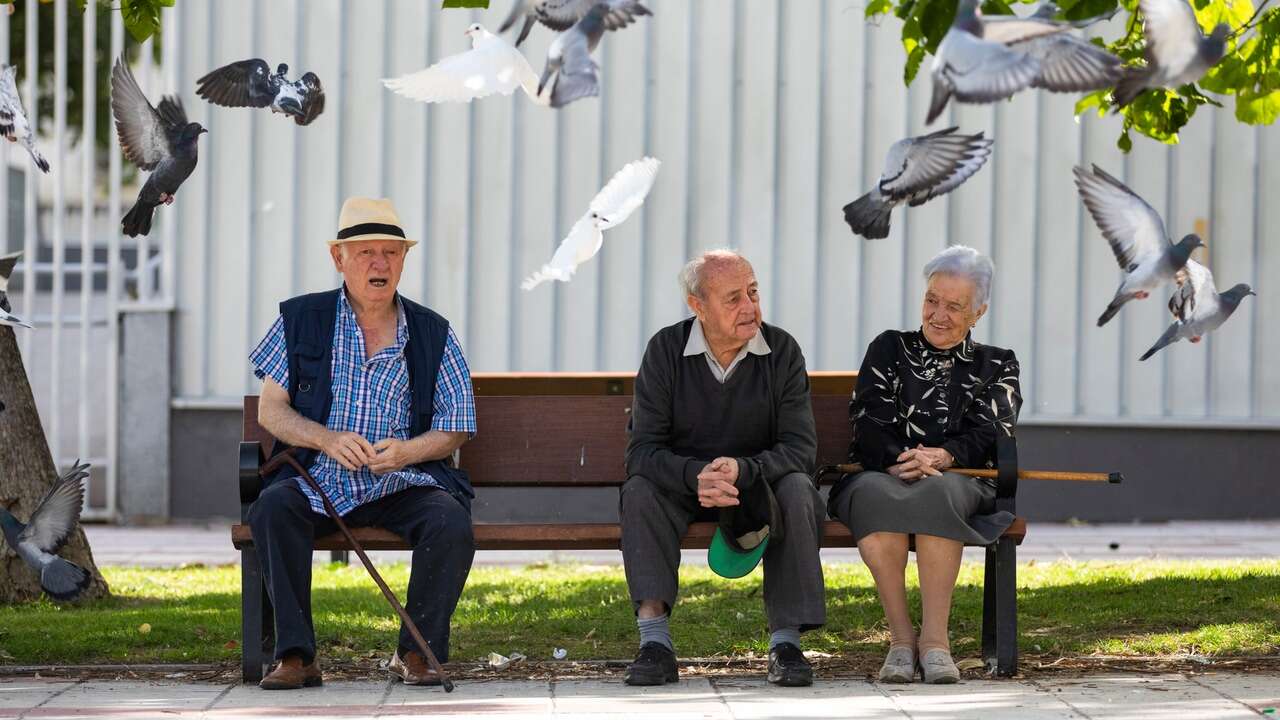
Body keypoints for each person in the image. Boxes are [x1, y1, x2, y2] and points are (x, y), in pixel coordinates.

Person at [246, 197, 477, 689]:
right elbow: (272, 409)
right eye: (366, 252)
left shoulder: (432, 331)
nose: (380, 264)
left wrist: (407, 452)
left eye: (390, 253)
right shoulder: (301, 319)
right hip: (319, 477)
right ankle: (296, 655)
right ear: (339, 259)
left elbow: (457, 424)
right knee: (272, 509)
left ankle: (417, 653)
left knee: (450, 520)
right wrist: (326, 440)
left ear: (402, 260)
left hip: (398, 480)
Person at [620, 249, 826, 688]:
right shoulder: (665, 350)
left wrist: (742, 471)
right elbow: (642, 451)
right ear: (698, 306)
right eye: (733, 298)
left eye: (753, 292)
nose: (750, 307)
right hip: (685, 485)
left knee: (798, 489)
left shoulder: (782, 350)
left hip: (758, 483)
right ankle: (654, 644)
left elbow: (800, 449)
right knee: (640, 489)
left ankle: (787, 645)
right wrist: (698, 476)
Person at [829, 245, 1021, 684]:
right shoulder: (889, 348)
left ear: (979, 312)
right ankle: (900, 641)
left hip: (957, 479)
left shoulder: (997, 363)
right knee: (877, 495)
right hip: (880, 473)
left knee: (938, 490)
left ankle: (935, 642)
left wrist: (943, 456)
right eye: (932, 300)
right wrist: (904, 457)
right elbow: (868, 419)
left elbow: (991, 429)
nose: (938, 314)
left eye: (954, 306)